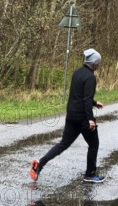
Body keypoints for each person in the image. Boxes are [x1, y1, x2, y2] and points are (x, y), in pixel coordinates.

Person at [30, 48, 105, 183]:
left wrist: (95, 103)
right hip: (82, 117)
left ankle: (39, 165)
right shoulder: (90, 77)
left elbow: (78, 95)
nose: (98, 66)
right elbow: (86, 99)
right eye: (98, 64)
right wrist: (90, 119)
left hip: (71, 115)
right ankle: (90, 175)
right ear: (94, 64)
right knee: (94, 144)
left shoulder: (77, 73)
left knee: (63, 144)